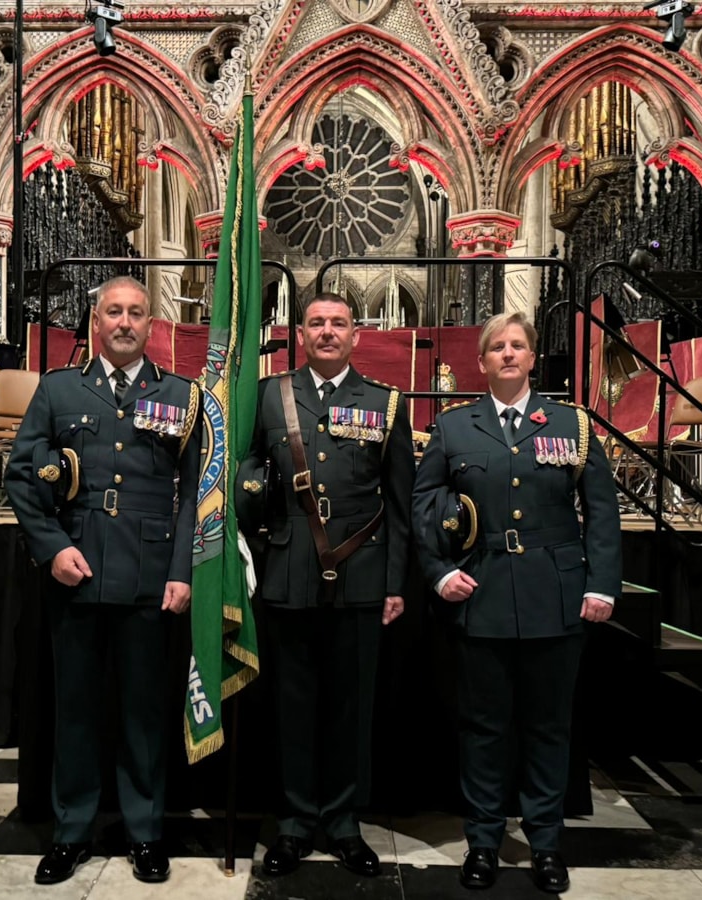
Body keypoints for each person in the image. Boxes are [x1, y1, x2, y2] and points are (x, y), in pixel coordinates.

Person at [411, 312, 621, 894]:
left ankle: (546, 844)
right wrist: (439, 572)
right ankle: (482, 842)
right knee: (483, 728)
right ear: (481, 363)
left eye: (518, 346)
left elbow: (601, 512)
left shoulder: (571, 425)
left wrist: (602, 583)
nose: (508, 354)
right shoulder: (453, 429)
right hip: (480, 596)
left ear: (532, 359)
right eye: (497, 347)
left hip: (556, 596)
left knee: (549, 728)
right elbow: (423, 509)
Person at [6, 276, 201, 887]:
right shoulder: (59, 391)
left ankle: (145, 831)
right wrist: (51, 548)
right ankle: (71, 832)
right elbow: (21, 474)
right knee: (78, 712)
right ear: (95, 321)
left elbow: (197, 492)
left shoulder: (180, 396)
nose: (124, 322)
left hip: (149, 577)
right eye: (113, 311)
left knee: (144, 713)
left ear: (151, 324)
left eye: (136, 313)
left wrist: (181, 572)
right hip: (78, 572)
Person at [235, 293, 414, 878]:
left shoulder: (386, 403)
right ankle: (293, 823)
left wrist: (394, 583)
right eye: (317, 323)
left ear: (357, 335)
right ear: (300, 333)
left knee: (350, 707)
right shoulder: (269, 395)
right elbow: (246, 476)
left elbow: (401, 504)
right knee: (292, 705)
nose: (328, 332)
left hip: (361, 575)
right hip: (289, 573)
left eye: (339, 323)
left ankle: (342, 822)